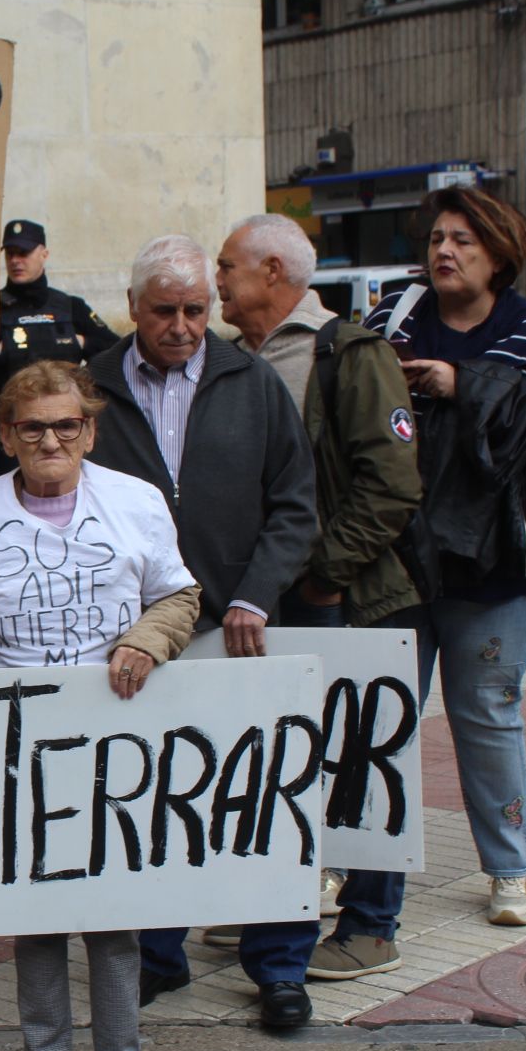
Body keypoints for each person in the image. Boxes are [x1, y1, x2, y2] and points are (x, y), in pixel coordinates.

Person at [0, 361, 198, 1051]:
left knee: (113, 919)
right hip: (18, 748)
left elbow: (179, 594)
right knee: (38, 920)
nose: (50, 440)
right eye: (32, 427)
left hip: (115, 742)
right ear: (5, 434)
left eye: (66, 426)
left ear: (91, 429)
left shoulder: (136, 504)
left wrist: (148, 640)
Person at [83, 235, 319, 1029]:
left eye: (195, 310)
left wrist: (257, 595)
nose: (182, 326)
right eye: (165, 312)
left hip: (241, 628)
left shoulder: (251, 383)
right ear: (133, 310)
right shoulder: (91, 393)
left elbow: (295, 503)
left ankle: (280, 965)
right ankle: (156, 959)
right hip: (138, 641)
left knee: (263, 795)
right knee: (146, 794)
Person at [354, 186, 526, 931]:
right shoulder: (393, 317)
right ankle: (351, 864)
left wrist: (467, 388)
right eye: (437, 240)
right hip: (404, 551)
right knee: (380, 712)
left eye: (464, 241)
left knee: (483, 708)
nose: (444, 252)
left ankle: (510, 870)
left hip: (504, 562)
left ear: (499, 255)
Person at [215, 214, 425, 982]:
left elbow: (393, 483)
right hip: (270, 599)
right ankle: (282, 902)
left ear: (274, 272)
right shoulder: (234, 359)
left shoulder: (351, 354)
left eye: (228, 266)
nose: (217, 282)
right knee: (286, 756)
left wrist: (325, 573)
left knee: (362, 759)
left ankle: (372, 924)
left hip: (350, 599)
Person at [0, 220, 119, 475]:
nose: (15, 261)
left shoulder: (69, 307)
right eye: (11, 254)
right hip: (13, 438)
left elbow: (117, 352)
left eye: (24, 253)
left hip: (67, 433)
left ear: (43, 254)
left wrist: (79, 342)